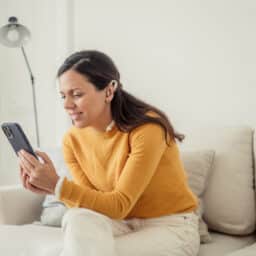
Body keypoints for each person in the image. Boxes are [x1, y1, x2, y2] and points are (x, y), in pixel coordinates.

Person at [18, 50, 200, 256]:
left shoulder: (147, 129)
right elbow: (90, 206)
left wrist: (58, 186)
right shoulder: (73, 140)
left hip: (171, 226)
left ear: (109, 91)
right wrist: (51, 188)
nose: (67, 105)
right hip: (116, 223)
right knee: (78, 217)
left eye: (77, 94)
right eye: (63, 96)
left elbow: (119, 204)